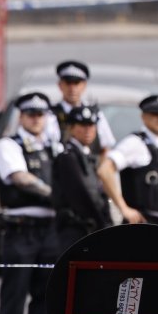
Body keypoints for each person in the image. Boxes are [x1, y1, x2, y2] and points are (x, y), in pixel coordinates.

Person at [0, 92, 63, 314]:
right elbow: (20, 178)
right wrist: (56, 195)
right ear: (21, 116)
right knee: (14, 291)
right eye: (31, 114)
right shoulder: (9, 145)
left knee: (46, 291)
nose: (35, 119)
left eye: (40, 114)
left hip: (50, 228)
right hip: (21, 228)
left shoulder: (53, 147)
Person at [96, 94, 158, 227]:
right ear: (144, 117)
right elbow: (105, 171)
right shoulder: (136, 143)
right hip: (142, 223)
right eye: (155, 114)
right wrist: (124, 209)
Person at [51, 103, 113, 246]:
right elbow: (82, 194)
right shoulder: (68, 157)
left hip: (90, 229)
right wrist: (103, 223)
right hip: (75, 230)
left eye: (91, 125)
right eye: (82, 125)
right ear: (71, 128)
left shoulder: (88, 157)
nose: (88, 130)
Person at [48, 61, 116, 151]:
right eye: (68, 83)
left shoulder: (94, 113)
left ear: (84, 85)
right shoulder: (50, 114)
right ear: (60, 85)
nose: (72, 89)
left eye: (76, 83)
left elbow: (106, 147)